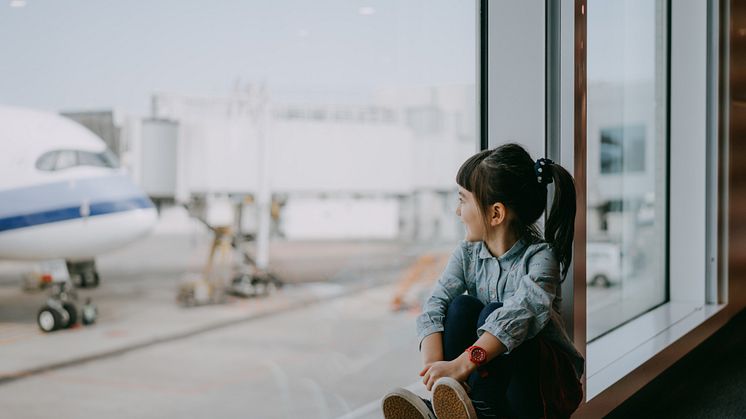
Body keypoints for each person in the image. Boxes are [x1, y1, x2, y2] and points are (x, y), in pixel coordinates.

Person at [381, 144, 584, 419]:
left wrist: (462, 364)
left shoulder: (541, 258)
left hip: (543, 388)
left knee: (495, 313)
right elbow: (435, 303)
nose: (457, 211)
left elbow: (519, 316)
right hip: (490, 384)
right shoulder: (467, 254)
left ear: (496, 214)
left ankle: (476, 413)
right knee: (461, 307)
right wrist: (436, 369)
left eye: (463, 200)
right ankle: (451, 404)